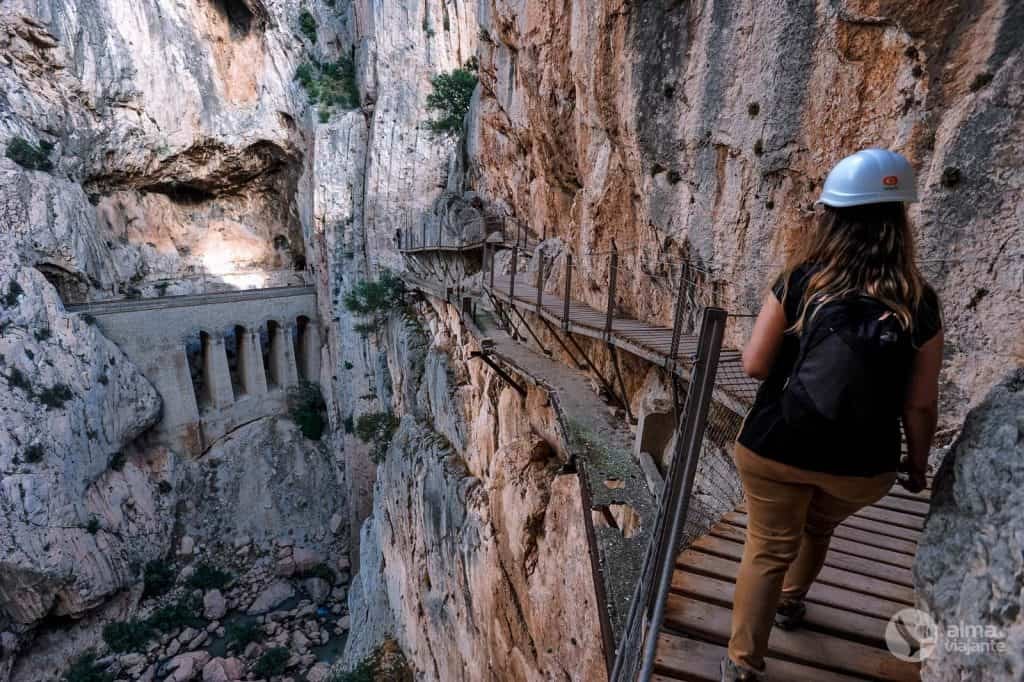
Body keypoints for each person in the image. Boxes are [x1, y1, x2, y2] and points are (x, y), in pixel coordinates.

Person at [721, 149, 943, 681]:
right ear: (899, 221)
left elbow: (753, 366)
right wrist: (916, 464)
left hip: (774, 446)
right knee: (818, 528)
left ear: (833, 215)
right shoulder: (918, 301)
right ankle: (791, 601)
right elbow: (920, 402)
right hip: (861, 467)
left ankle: (741, 664)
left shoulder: (801, 279)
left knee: (767, 548)